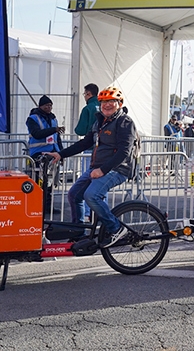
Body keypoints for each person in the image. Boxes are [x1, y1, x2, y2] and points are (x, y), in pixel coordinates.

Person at [48, 86, 136, 248]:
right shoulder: (100, 122)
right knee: (74, 194)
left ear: (119, 103)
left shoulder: (125, 122)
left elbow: (124, 151)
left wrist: (102, 170)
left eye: (111, 101)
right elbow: (85, 143)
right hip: (97, 168)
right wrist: (61, 154)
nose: (107, 105)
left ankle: (116, 229)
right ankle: (78, 232)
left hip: (118, 169)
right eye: (103, 102)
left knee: (91, 195)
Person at [26, 95, 64, 209]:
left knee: (50, 180)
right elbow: (37, 134)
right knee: (39, 180)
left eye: (50, 105)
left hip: (53, 152)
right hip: (38, 153)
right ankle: (37, 205)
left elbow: (57, 138)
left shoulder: (53, 118)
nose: (49, 107)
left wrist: (62, 153)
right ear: (40, 106)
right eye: (46, 105)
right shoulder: (33, 119)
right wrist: (53, 130)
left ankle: (48, 206)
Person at [74, 83, 100, 221]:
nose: (84, 96)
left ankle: (86, 214)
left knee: (86, 183)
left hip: (89, 149)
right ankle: (99, 214)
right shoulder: (104, 106)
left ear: (89, 94)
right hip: (103, 151)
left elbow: (80, 130)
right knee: (100, 185)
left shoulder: (88, 108)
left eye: (85, 94)